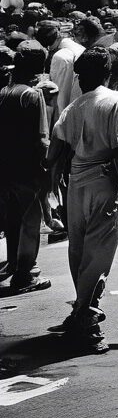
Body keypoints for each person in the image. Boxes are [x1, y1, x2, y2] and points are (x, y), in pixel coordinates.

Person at [46, 47, 118, 353]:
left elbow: (55, 152)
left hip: (76, 183)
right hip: (104, 180)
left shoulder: (72, 107)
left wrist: (53, 186)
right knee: (99, 252)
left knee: (79, 250)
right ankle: (87, 319)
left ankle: (82, 308)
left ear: (79, 78)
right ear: (107, 74)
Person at [0, 40, 52, 296]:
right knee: (30, 221)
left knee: (12, 219)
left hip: (5, 167)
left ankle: (14, 263)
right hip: (26, 168)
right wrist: (46, 168)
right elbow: (41, 138)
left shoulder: (4, 91)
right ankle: (25, 274)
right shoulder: (31, 95)